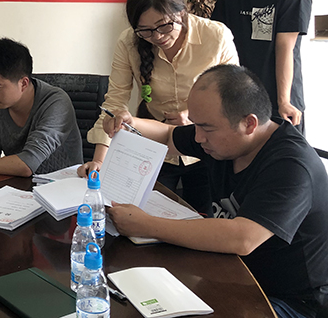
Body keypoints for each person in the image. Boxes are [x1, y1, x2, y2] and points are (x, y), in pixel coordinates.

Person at [105, 65, 328, 318]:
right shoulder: (224, 141)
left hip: (291, 301)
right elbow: (168, 135)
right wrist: (131, 124)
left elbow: (243, 238)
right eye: (196, 125)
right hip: (234, 273)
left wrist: (146, 225)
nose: (198, 137)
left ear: (249, 123)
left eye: (206, 128)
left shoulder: (291, 166)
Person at [82, 0, 238, 214]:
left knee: (203, 219)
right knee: (147, 215)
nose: (157, 36)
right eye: (145, 30)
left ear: (181, 11)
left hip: (206, 146)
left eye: (164, 26)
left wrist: (192, 116)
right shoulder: (129, 42)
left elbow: (232, 95)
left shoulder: (215, 36)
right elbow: (114, 103)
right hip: (154, 148)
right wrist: (100, 161)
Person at [211, 0, 312, 133]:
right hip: (238, 94)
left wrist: (284, 101)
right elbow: (219, 41)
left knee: (280, 150)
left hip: (277, 95)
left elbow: (285, 47)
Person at [0, 38, 83, 177]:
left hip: (61, 186)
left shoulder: (56, 103)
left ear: (24, 83)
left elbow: (28, 163)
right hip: (17, 187)